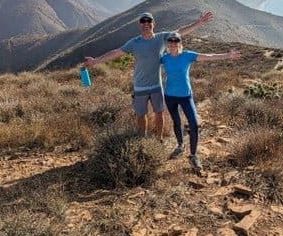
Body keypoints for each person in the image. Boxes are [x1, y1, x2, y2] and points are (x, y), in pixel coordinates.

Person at [82, 10, 214, 138]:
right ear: (140, 25)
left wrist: (199, 23)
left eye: (149, 21)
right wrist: (96, 61)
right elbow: (117, 52)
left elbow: (179, 32)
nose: (146, 23)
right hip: (140, 85)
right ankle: (142, 138)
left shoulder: (161, 38)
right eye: (143, 21)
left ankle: (159, 139)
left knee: (159, 113)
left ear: (153, 24)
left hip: (156, 85)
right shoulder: (134, 42)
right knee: (141, 115)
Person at [160, 32, 240, 172]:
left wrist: (227, 55)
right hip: (170, 96)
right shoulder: (164, 58)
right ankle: (180, 146)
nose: (173, 43)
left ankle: (193, 155)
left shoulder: (187, 55)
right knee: (177, 122)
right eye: (170, 41)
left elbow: (208, 56)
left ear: (180, 42)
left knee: (193, 123)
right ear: (167, 43)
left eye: (176, 40)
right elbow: (148, 63)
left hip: (186, 96)